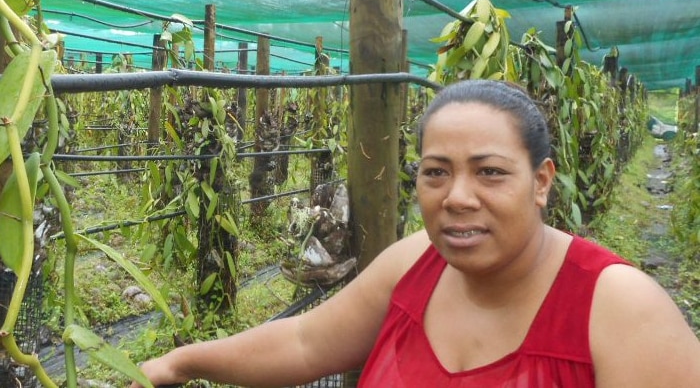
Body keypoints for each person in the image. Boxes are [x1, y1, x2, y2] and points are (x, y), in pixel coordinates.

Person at [131, 80, 700, 388]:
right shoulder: (416, 264)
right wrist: (180, 363)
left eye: (490, 171)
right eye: (435, 172)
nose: (456, 196)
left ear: (542, 181)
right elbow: (304, 343)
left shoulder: (620, 308)